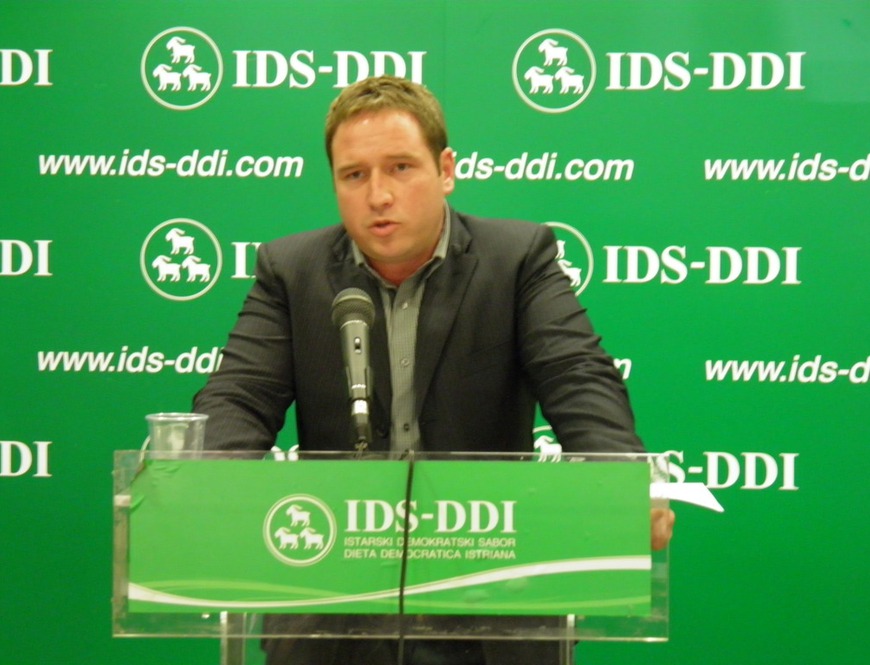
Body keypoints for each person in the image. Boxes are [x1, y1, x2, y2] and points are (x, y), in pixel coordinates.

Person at [193, 75, 674, 665]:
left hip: (492, 594)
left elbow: (577, 374)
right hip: (335, 604)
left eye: (400, 168)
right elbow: (241, 394)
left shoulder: (517, 259)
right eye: (354, 175)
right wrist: (199, 486)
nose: (378, 195)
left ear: (445, 170)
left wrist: (620, 479)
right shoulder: (291, 270)